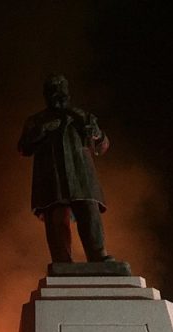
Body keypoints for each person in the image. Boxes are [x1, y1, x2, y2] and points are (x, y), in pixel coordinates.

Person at [18, 74, 113, 263]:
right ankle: (62, 260)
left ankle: (98, 255)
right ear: (46, 95)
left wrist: (97, 134)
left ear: (67, 92)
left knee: (88, 211)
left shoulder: (82, 116)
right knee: (57, 217)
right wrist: (41, 131)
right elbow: (23, 148)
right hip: (52, 175)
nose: (58, 93)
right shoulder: (37, 120)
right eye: (53, 89)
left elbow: (102, 146)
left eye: (61, 89)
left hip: (81, 174)